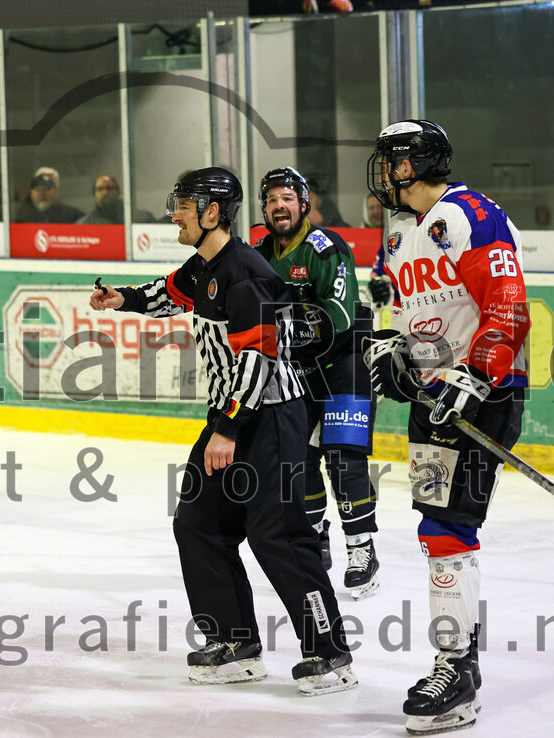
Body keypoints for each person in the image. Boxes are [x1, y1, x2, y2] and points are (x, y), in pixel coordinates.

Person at [89, 167, 356, 696]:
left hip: (273, 416)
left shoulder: (245, 271)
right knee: (199, 522)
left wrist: (228, 428)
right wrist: (123, 298)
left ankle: (329, 653)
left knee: (277, 535)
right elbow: (172, 292)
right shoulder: (205, 265)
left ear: (212, 213)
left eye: (183, 206)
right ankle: (237, 643)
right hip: (234, 415)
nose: (174, 214)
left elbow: (259, 356)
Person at [362, 119, 530, 735]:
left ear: (416, 164)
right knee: (437, 531)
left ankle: (456, 671)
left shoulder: (470, 216)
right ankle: (456, 664)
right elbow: (411, 320)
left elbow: (506, 310)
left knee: (450, 524)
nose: (382, 172)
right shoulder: (401, 233)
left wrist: (475, 377)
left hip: (484, 397)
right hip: (434, 400)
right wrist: (397, 354)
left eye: (392, 161)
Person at [253, 166, 380, 599]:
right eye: (271, 200)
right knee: (297, 459)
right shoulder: (259, 252)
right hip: (298, 369)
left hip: (344, 362)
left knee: (344, 460)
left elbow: (341, 317)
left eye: (287, 198)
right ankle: (315, 537)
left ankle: (363, 549)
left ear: (304, 204)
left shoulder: (326, 248)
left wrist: (281, 328)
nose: (279, 206)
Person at [76, 174, 154, 224]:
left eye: (109, 188)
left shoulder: (138, 218)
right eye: (100, 189)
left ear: (118, 192)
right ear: (94, 195)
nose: (105, 192)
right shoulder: (84, 224)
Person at [14, 168, 83, 224]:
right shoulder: (18, 215)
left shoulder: (70, 215)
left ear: (55, 193)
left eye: (47, 189)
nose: (43, 194)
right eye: (38, 190)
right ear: (31, 193)